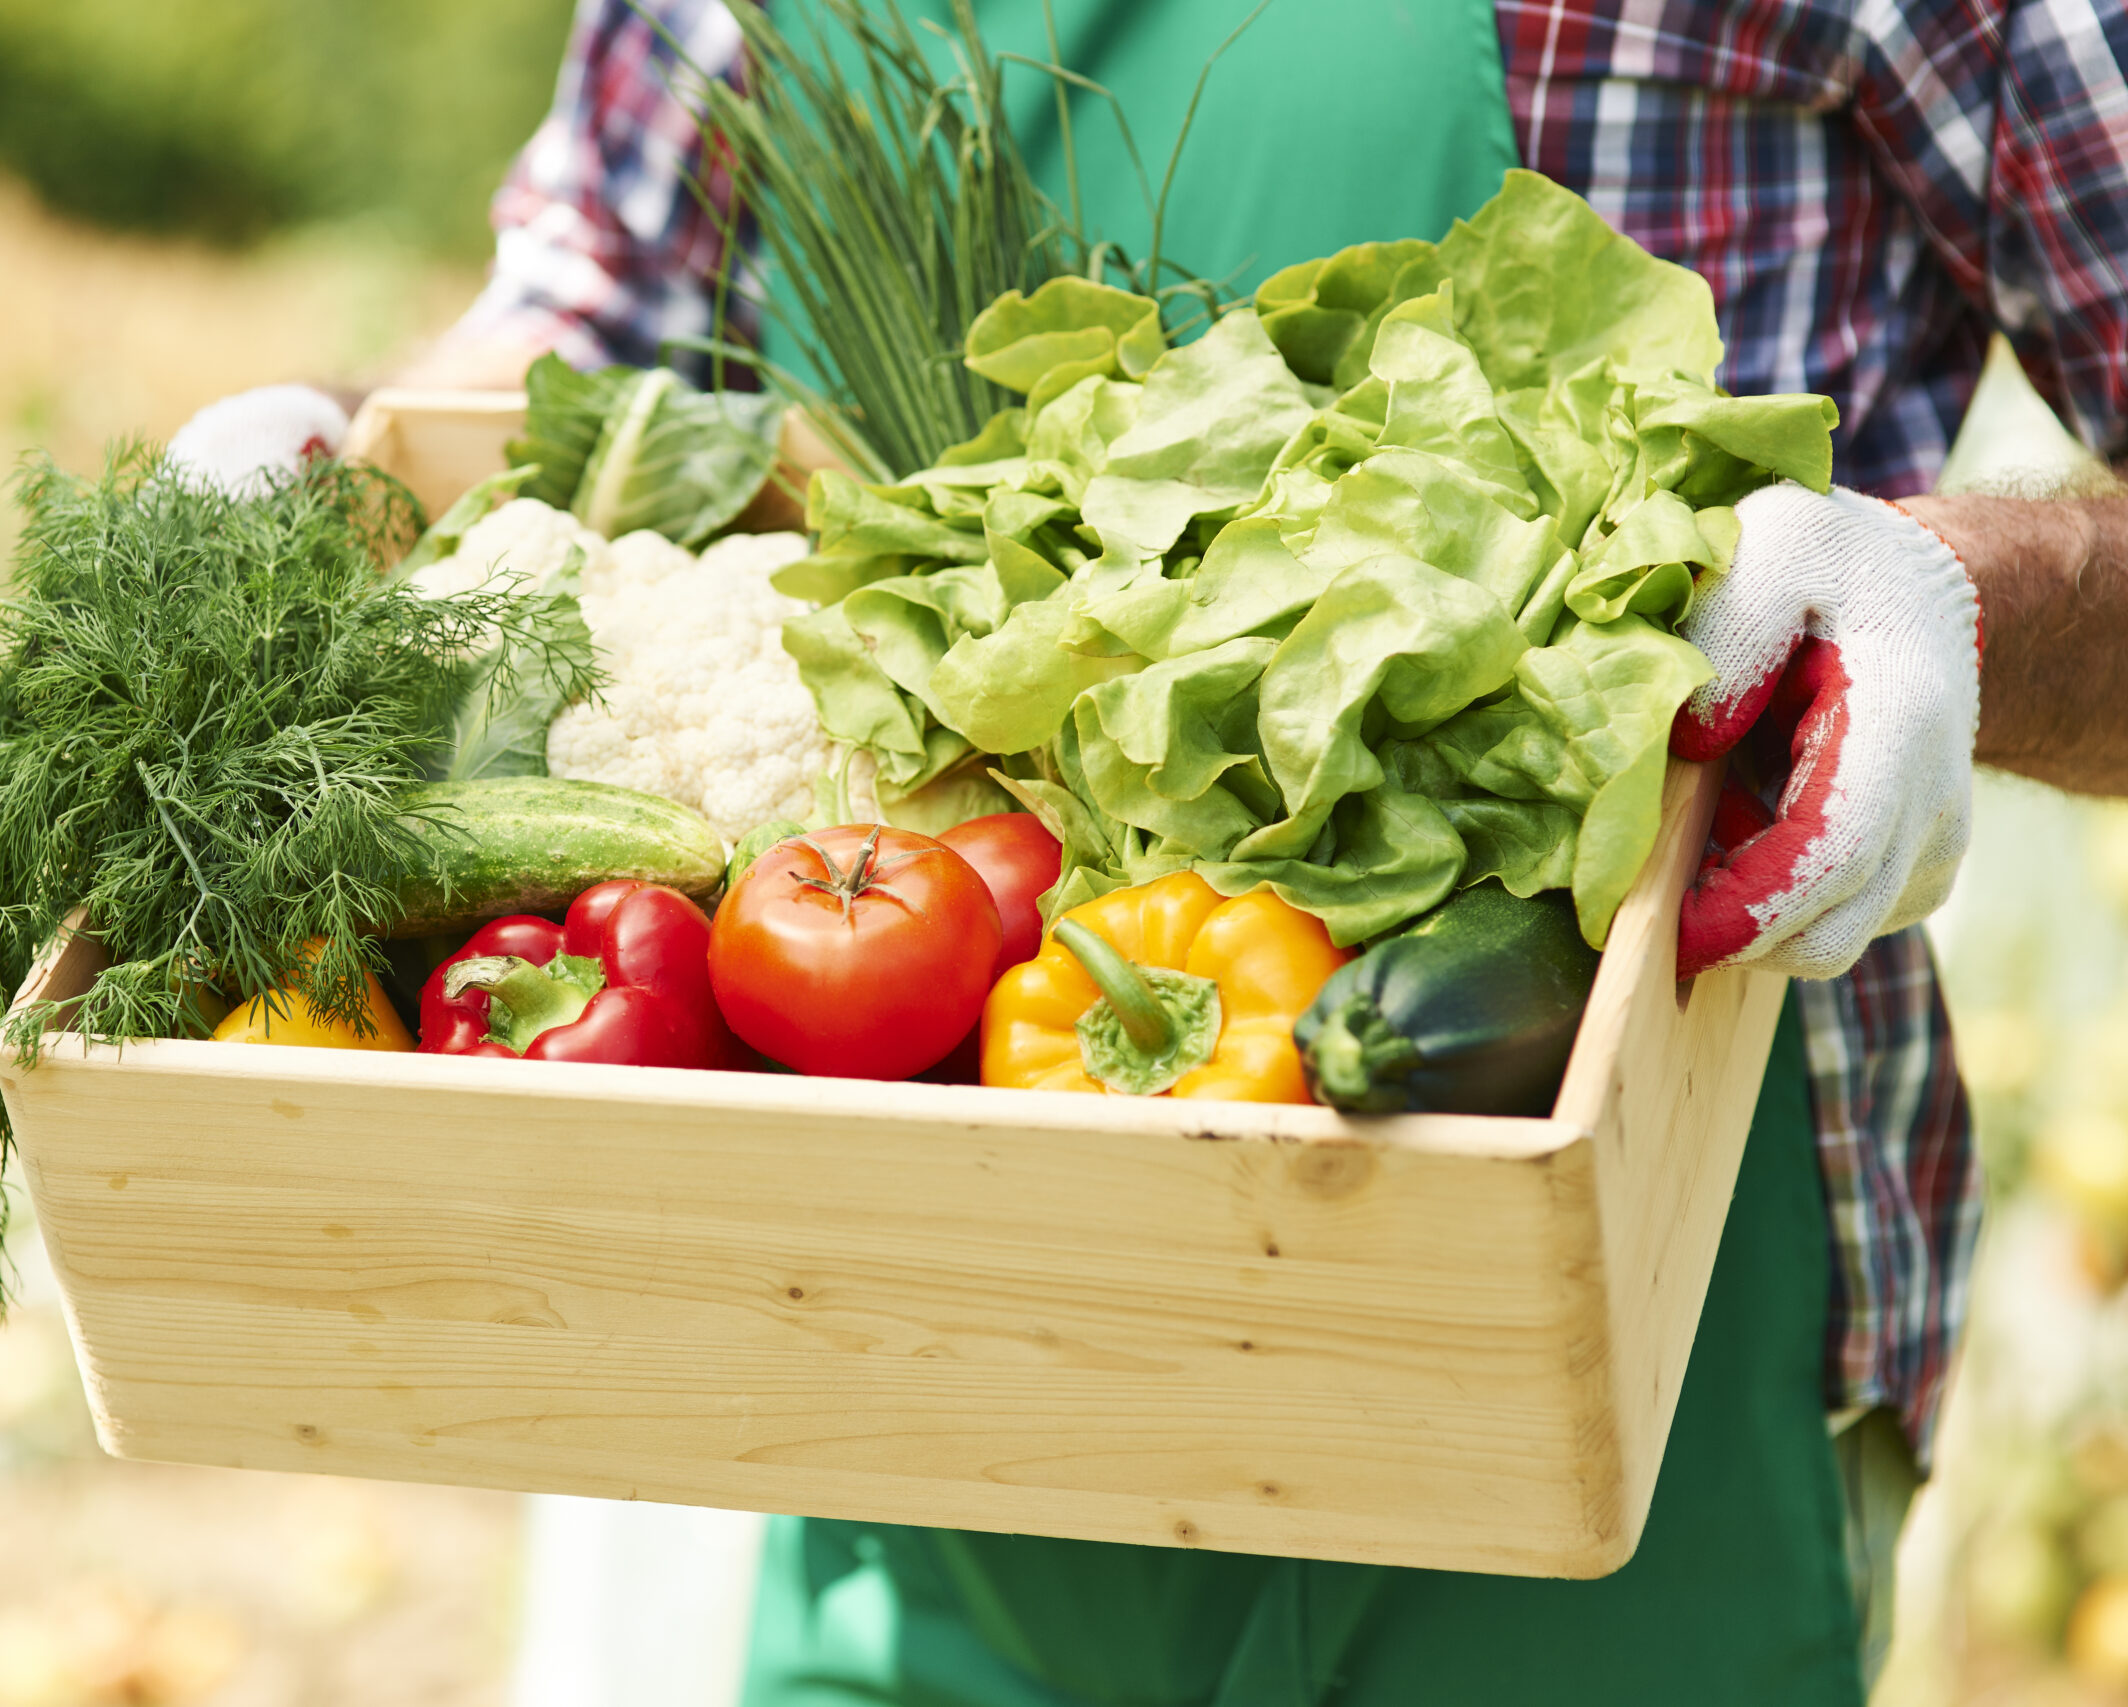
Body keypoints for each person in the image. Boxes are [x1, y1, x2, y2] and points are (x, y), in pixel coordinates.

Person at [175, 2, 2128, 1699]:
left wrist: (1961, 597)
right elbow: (592, 327)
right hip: (889, 1377)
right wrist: (332, 448)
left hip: (1631, 1358)